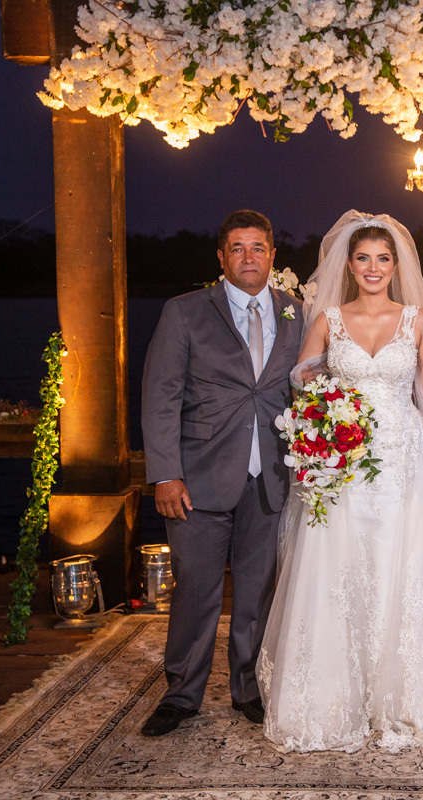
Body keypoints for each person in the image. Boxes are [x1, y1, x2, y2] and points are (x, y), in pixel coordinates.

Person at [258, 211, 423, 753]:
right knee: (340, 566)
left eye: (383, 259)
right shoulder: (328, 320)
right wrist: (322, 422)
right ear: (348, 265)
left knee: (404, 566)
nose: (373, 267)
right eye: (363, 258)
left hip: (404, 462)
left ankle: (408, 697)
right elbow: (303, 386)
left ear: (396, 266)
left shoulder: (417, 321)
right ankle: (335, 699)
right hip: (343, 465)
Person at [140, 210, 304, 736]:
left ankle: (248, 688)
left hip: (271, 478)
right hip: (198, 478)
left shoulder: (297, 314)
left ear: (272, 255)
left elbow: (308, 390)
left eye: (258, 248)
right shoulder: (185, 312)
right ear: (221, 256)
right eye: (237, 248)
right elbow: (160, 397)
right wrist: (165, 474)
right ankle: (181, 694)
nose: (248, 257)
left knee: (258, 591)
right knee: (195, 589)